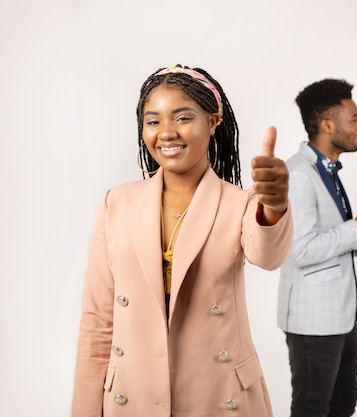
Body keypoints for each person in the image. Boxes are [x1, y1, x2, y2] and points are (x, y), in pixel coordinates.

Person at [71, 65, 293, 417]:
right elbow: (98, 320)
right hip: (134, 396)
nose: (166, 133)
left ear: (214, 121)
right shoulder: (117, 203)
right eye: (153, 121)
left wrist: (276, 203)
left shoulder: (242, 202)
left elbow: (267, 255)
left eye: (183, 117)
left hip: (219, 396)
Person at [277, 78, 357, 417]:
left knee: (342, 407)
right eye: (353, 119)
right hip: (313, 323)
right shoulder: (298, 174)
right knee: (313, 409)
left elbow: (326, 235)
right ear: (327, 125)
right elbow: (299, 250)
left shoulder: (325, 170)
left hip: (340, 318)